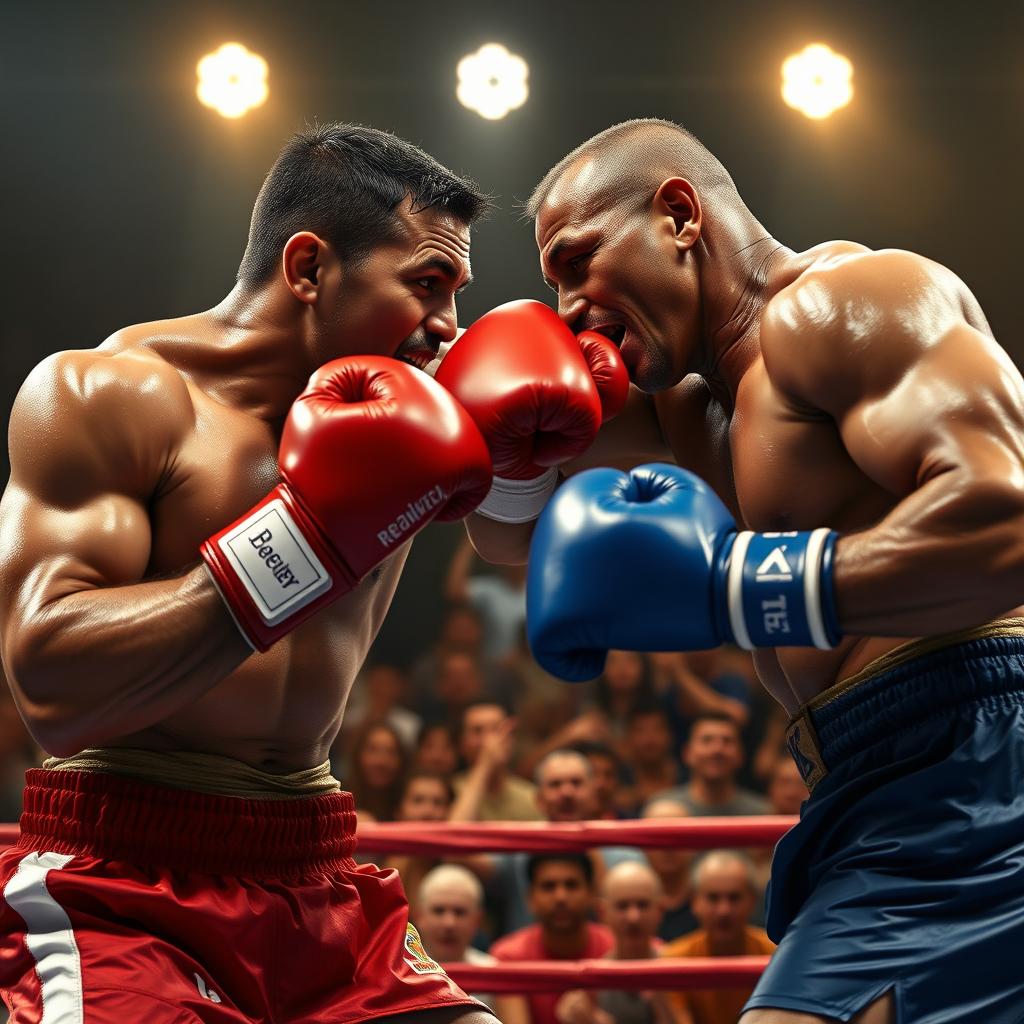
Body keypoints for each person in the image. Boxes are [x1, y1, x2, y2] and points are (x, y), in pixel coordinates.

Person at [0, 121, 621, 1023]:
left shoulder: (423, 399)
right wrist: (307, 540)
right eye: (427, 284)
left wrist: (531, 461)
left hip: (316, 865)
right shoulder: (112, 396)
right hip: (127, 877)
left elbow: (510, 546)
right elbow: (51, 679)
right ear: (308, 268)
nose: (448, 325)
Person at [518, 116, 1024, 1022]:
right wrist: (490, 441)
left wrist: (738, 586)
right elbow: (510, 531)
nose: (565, 307)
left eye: (578, 260)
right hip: (863, 774)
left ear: (679, 215)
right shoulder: (681, 408)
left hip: (981, 751)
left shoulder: (846, 304)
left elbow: (1010, 523)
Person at [556, 860, 685, 1024]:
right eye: (622, 906)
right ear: (603, 913)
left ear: (660, 910)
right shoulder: (591, 981)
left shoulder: (679, 968)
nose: (633, 917)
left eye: (642, 905)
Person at [490, 854, 614, 1024]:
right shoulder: (509, 956)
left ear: (591, 894)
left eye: (571, 885)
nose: (560, 897)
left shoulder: (615, 948)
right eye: (548, 887)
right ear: (530, 898)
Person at [661, 852, 775, 1024]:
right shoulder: (674, 959)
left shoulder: (774, 956)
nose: (724, 910)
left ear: (752, 900)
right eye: (713, 898)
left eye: (734, 898)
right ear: (694, 902)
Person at [413, 865, 530, 1024]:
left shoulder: (495, 973)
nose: (449, 923)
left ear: (477, 920)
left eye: (459, 912)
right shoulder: (398, 973)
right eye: (439, 911)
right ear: (419, 916)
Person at [650, 714, 768, 817]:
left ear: (740, 755)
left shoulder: (762, 813)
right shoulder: (662, 809)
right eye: (707, 740)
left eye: (727, 741)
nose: (717, 749)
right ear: (687, 753)